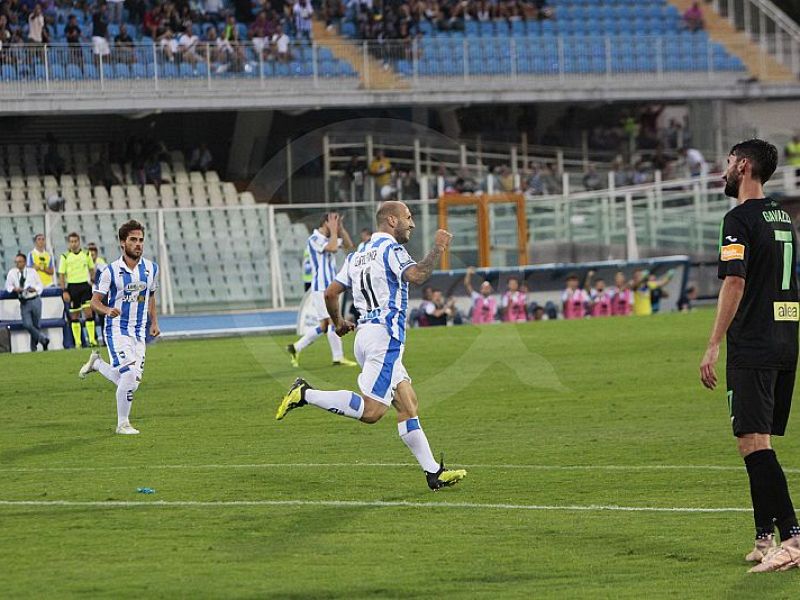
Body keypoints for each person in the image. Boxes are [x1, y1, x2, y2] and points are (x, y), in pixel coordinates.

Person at [276, 201, 467, 491]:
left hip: (365, 335)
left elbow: (331, 293)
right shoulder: (391, 249)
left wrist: (338, 323)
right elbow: (417, 276)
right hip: (384, 338)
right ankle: (305, 393)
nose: (412, 224)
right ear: (392, 221)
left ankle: (433, 473)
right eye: (408, 217)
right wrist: (438, 247)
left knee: (408, 404)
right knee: (373, 411)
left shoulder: (357, 255)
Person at [699, 139, 800, 572]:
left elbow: (735, 281)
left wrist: (713, 342)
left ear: (742, 166)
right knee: (760, 440)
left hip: (754, 342)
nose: (724, 171)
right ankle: (764, 537)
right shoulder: (782, 216)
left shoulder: (738, 218)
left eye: (727, 163)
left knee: (751, 442)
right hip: (785, 338)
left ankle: (792, 538)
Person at [79, 220, 160, 435]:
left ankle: (97, 364)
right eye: (133, 239)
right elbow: (94, 301)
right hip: (117, 329)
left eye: (141, 240)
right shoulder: (110, 271)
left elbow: (151, 296)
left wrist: (154, 322)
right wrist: (107, 310)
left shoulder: (151, 268)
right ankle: (122, 424)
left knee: (133, 382)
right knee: (129, 375)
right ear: (123, 243)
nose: (138, 244)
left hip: (139, 332)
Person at [287, 213, 357, 368]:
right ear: (326, 223)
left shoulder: (329, 238)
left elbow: (348, 245)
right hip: (321, 286)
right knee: (333, 320)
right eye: (334, 223)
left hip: (328, 286)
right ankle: (338, 357)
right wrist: (334, 231)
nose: (336, 227)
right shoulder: (314, 238)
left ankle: (295, 348)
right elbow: (333, 248)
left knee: (325, 325)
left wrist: (341, 229)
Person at [58, 232, 97, 348]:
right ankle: (78, 342)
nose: (74, 244)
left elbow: (92, 268)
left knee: (88, 313)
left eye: (75, 241)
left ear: (79, 242)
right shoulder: (65, 256)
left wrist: (92, 279)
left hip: (85, 286)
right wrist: (64, 290)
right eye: (71, 242)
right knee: (74, 315)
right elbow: (61, 275)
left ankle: (92, 340)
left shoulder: (86, 254)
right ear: (69, 243)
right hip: (72, 287)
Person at [5, 253, 49, 352]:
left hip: (34, 299)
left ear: (24, 262)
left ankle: (34, 349)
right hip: (24, 301)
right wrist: (15, 289)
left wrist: (34, 289)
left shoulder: (32, 272)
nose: (17, 264)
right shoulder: (12, 273)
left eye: (19, 262)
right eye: (16, 262)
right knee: (27, 324)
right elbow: (8, 286)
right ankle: (43, 339)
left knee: (36, 325)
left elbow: (40, 285)